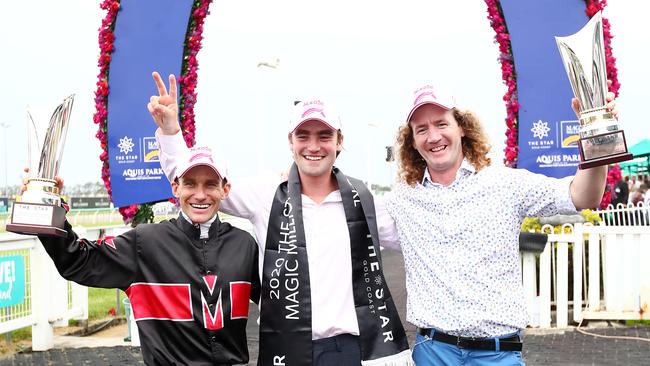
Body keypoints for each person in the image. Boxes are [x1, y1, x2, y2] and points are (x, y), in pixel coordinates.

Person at [148, 72, 413, 366]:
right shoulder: (267, 193)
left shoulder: (363, 200)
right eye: (303, 136)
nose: (313, 146)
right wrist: (171, 132)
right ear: (290, 141)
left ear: (339, 141)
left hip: (351, 351)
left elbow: (416, 240)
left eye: (324, 136)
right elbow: (200, 182)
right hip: (287, 349)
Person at [384, 84, 616, 366]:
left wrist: (596, 134)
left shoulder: (505, 184)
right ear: (412, 141)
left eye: (442, 124)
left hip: (497, 355)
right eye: (421, 129)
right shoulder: (402, 198)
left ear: (462, 128)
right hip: (433, 353)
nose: (433, 136)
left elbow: (582, 196)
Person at [34, 146, 261, 365]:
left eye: (210, 184)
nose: (200, 195)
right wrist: (47, 206)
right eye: (190, 184)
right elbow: (78, 260)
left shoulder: (245, 245)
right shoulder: (145, 242)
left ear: (225, 189)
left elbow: (280, 306)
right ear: (176, 188)